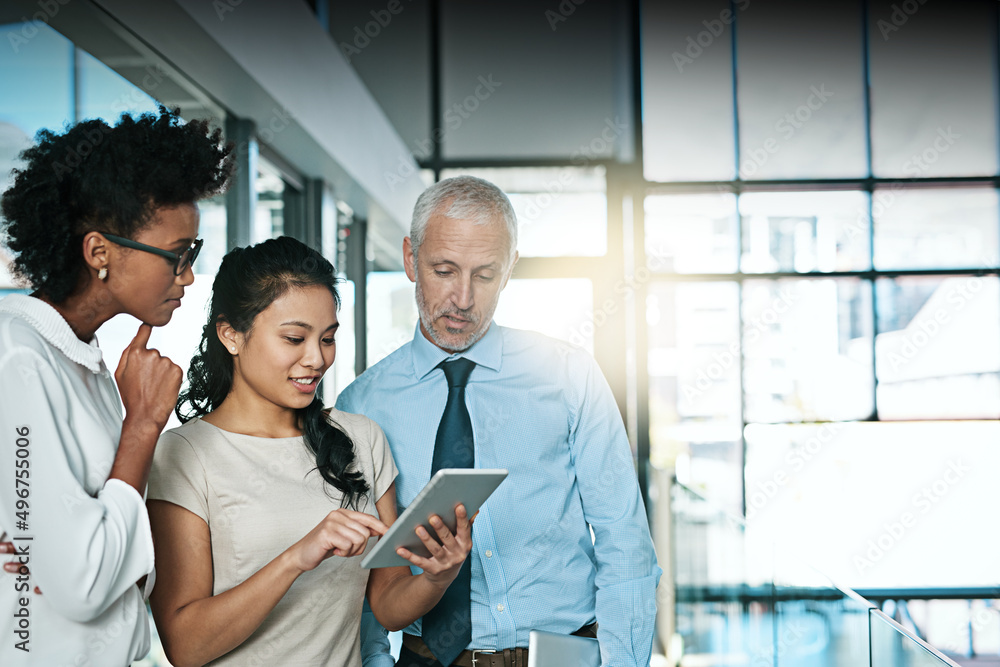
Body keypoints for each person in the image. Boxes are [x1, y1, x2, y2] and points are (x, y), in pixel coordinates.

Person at [336, 175, 662, 667]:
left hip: (562, 656)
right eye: (444, 270)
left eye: (484, 275)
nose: (463, 298)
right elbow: (361, 574)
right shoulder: (363, 403)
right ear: (410, 259)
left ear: (509, 269)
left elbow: (626, 543)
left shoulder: (568, 375)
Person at [146, 236, 475, 667]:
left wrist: (438, 576)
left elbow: (389, 604)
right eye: (294, 338)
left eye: (327, 338)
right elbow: (185, 645)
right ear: (231, 335)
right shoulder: (184, 454)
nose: (316, 359)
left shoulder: (362, 439)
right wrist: (296, 558)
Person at [0, 107, 233, 665]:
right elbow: (84, 585)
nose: (189, 276)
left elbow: (111, 560)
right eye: (178, 256)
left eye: (193, 254)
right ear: (99, 252)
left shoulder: (89, 362)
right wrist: (143, 427)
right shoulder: (20, 359)